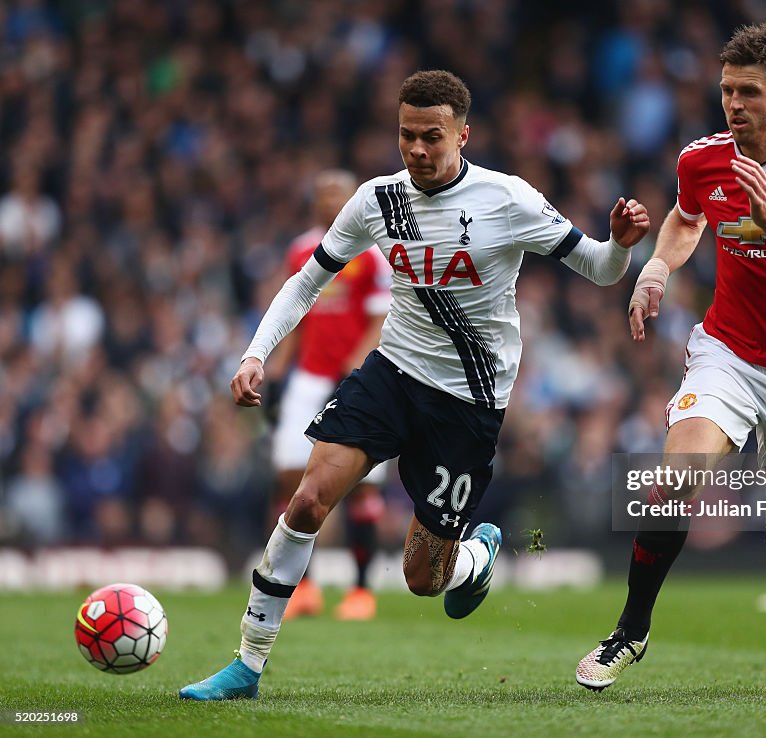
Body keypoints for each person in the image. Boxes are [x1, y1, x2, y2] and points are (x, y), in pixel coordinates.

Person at [179, 69, 650, 700]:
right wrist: (256, 353)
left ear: (463, 132)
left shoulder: (506, 198)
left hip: (469, 400)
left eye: (432, 136)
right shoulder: (377, 199)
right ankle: (246, 664)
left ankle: (477, 560)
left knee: (423, 578)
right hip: (393, 371)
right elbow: (307, 281)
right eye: (407, 136)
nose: (418, 151)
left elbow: (597, 267)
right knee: (309, 499)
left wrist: (619, 245)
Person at [576, 23, 766, 696]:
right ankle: (631, 630)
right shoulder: (703, 158)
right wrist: (655, 271)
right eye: (727, 90)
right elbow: (685, 217)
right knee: (678, 477)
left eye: (750, 93)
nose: (734, 105)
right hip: (728, 348)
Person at [262, 170, 392, 622]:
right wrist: (277, 369)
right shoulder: (301, 250)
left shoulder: (374, 254)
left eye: (338, 195)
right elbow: (297, 313)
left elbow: (380, 320)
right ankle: (306, 587)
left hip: (357, 378)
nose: (329, 202)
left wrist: (355, 366)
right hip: (308, 378)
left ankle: (361, 590)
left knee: (362, 483)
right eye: (322, 196)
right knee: (291, 479)